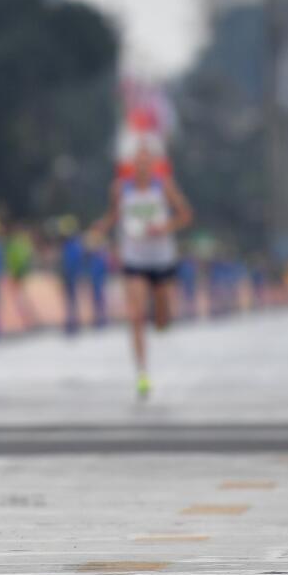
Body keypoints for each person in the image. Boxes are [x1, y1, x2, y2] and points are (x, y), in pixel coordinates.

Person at [97, 145, 192, 399]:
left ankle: (160, 317)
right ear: (132, 166)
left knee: (162, 322)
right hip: (134, 259)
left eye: (145, 162)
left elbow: (185, 215)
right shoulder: (120, 188)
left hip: (161, 259)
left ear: (152, 165)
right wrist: (100, 228)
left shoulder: (164, 186)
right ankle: (142, 373)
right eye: (137, 162)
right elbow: (114, 216)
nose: (141, 167)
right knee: (136, 315)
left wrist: (164, 226)